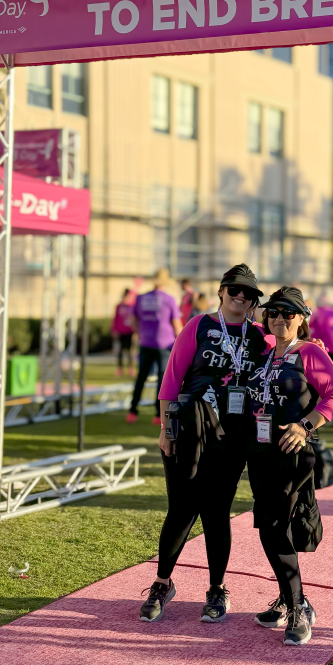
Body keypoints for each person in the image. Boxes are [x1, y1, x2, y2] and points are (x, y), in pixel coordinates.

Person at [139, 265, 267, 623]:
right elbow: (171, 379)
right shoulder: (198, 325)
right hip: (188, 428)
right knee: (181, 509)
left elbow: (291, 349)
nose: (242, 297)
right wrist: (166, 428)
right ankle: (162, 583)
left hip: (231, 437)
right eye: (236, 290)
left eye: (249, 293)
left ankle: (216, 589)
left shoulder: (260, 336)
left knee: (216, 512)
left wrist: (312, 343)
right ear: (222, 290)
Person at [247, 286, 333, 646]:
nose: (279, 318)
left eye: (288, 313)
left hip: (292, 452)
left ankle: (298, 606)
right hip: (260, 453)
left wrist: (305, 426)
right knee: (268, 528)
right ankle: (290, 597)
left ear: (302, 318)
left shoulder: (310, 353)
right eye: (273, 313)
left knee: (274, 526)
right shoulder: (267, 353)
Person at [126, 269, 182, 426]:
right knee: (162, 379)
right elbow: (177, 325)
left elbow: (132, 319)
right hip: (165, 344)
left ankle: (132, 411)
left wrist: (141, 332)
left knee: (141, 377)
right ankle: (158, 414)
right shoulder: (169, 299)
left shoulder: (141, 298)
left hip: (145, 342)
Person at [309, 284, 333, 425]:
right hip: (328, 351)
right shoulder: (330, 312)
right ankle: (329, 414)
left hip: (316, 351)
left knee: (318, 387)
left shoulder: (317, 312)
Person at [110, 288, 135, 377]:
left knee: (130, 351)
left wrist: (135, 332)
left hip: (130, 332)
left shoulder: (132, 306)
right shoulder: (119, 306)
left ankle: (130, 369)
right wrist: (114, 330)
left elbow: (135, 319)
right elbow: (115, 319)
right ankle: (120, 369)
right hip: (120, 331)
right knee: (120, 351)